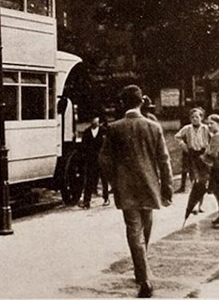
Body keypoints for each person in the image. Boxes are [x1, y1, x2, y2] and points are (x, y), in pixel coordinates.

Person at [99, 85, 173, 299]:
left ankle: (143, 276)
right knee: (146, 228)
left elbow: (104, 160)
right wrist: (167, 188)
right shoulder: (153, 127)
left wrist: (115, 179)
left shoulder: (114, 128)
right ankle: (143, 272)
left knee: (134, 231)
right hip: (149, 186)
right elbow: (165, 161)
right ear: (141, 102)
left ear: (123, 103)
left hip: (126, 187)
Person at [174, 107, 211, 212]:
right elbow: (177, 136)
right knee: (195, 180)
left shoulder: (206, 128)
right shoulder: (187, 128)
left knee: (203, 182)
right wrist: (183, 145)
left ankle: (201, 205)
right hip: (192, 155)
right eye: (192, 117)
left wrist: (209, 149)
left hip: (203, 155)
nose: (195, 119)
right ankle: (194, 204)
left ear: (201, 118)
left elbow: (213, 137)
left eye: (197, 117)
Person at [79, 114, 109, 209]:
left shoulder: (104, 131)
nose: (94, 121)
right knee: (89, 180)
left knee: (104, 179)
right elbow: (84, 146)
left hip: (102, 159)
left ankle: (106, 197)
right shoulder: (87, 132)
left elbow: (107, 145)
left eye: (95, 118)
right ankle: (86, 201)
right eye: (92, 119)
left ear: (99, 120)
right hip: (91, 160)